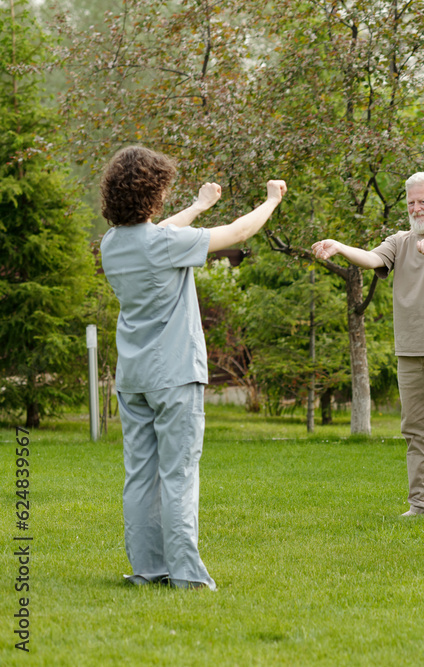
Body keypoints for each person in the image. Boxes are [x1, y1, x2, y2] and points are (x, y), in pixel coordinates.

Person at [100, 145, 287, 589]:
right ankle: (187, 576)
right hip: (175, 375)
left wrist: (200, 205)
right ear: (151, 193)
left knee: (141, 475)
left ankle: (148, 569)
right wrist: (272, 200)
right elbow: (239, 233)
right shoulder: (165, 244)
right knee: (179, 474)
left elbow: (161, 231)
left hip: (134, 379)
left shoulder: (112, 244)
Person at [311, 171, 424, 527]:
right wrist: (340, 247)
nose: (416, 208)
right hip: (409, 351)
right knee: (415, 432)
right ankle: (420, 504)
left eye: (423, 201)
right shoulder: (400, 240)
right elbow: (373, 259)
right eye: (411, 203)